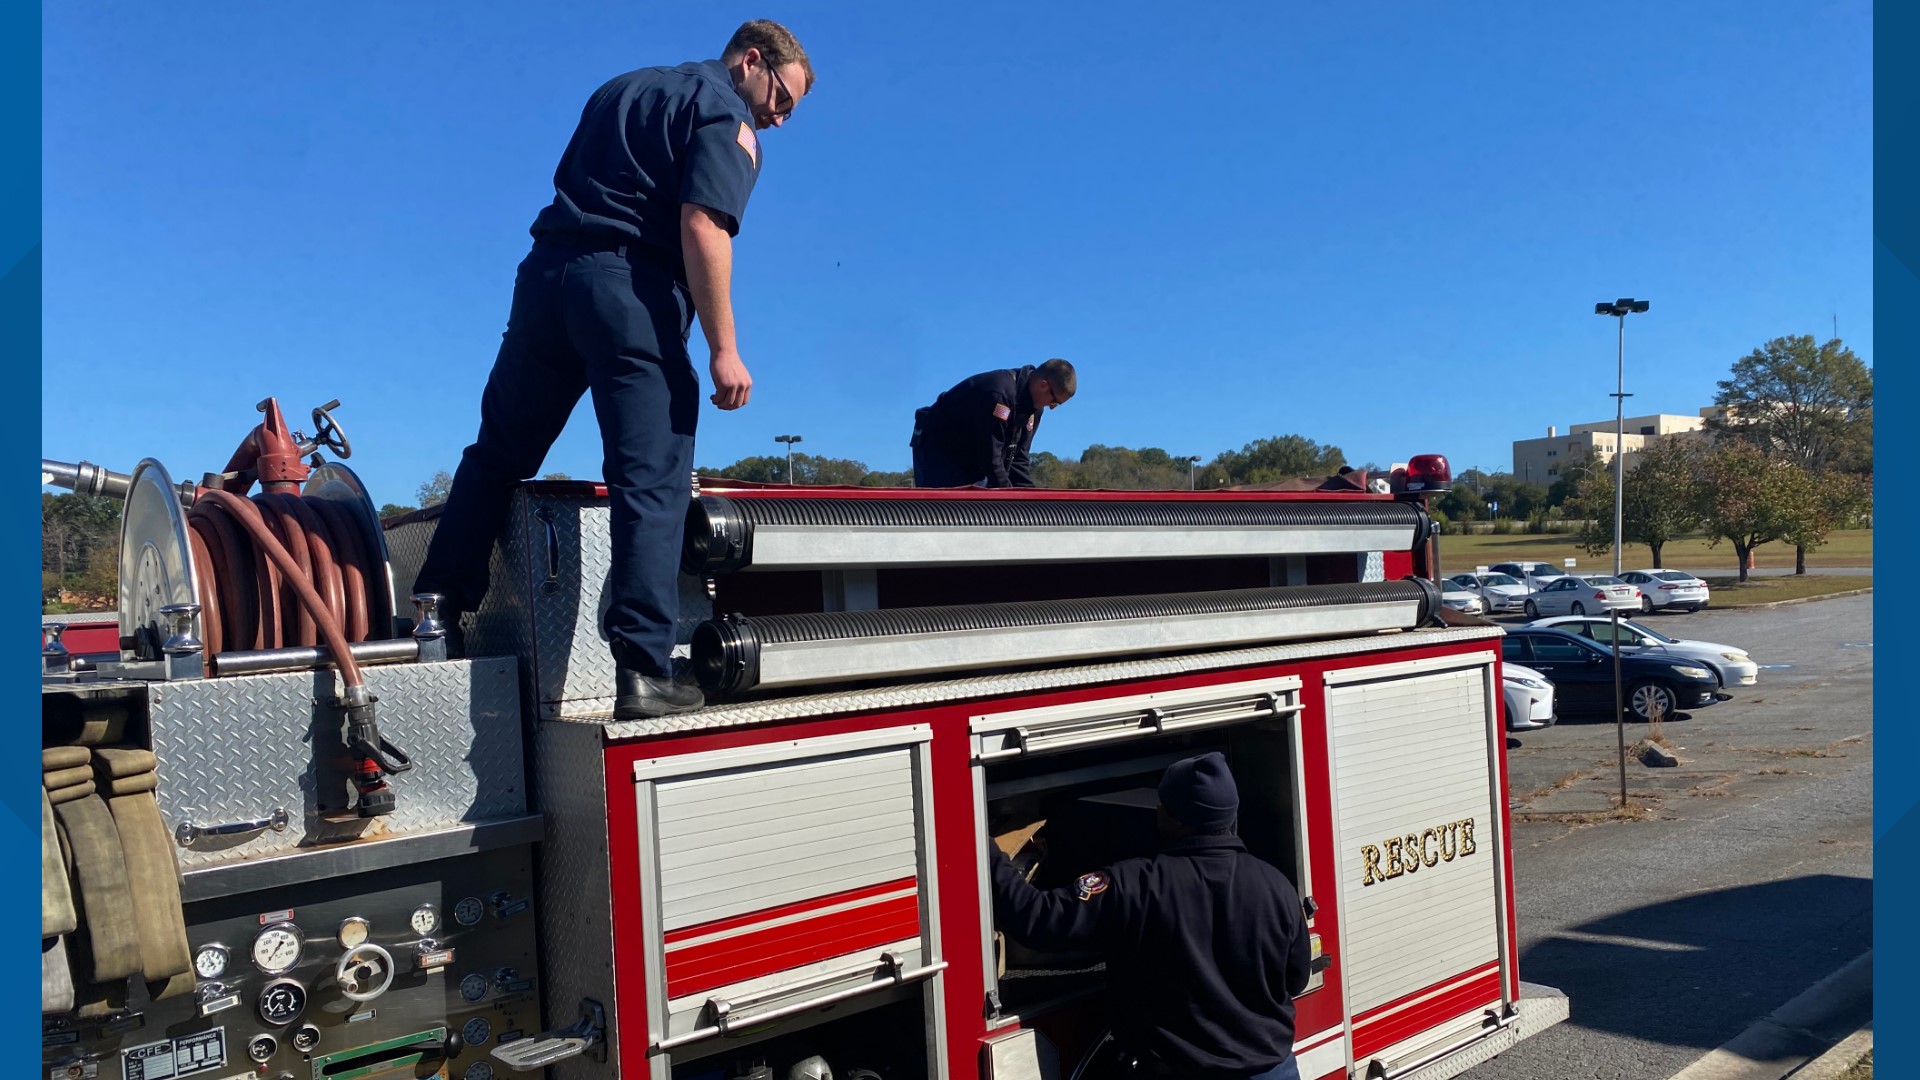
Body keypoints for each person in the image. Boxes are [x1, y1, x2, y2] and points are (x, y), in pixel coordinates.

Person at [413, 21, 813, 719]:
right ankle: (644, 668)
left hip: (545, 280)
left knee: (497, 453)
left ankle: (438, 611)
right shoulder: (724, 111)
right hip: (629, 287)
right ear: (751, 62)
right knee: (651, 476)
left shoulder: (623, 88)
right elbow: (703, 225)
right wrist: (724, 346)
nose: (777, 119)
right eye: (781, 99)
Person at [989, 753, 1312, 1080]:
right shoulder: (1278, 887)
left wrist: (989, 851)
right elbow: (1295, 978)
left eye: (1162, 806)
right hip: (1274, 1071)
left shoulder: (1134, 885)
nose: (1157, 812)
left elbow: (1037, 920)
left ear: (1177, 819)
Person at [910, 359, 1076, 488]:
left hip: (973, 457)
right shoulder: (999, 395)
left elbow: (1018, 459)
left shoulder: (1035, 409)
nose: (1051, 408)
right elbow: (991, 457)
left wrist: (1030, 501)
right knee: (948, 515)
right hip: (938, 447)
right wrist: (1011, 501)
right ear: (1043, 385)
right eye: (1054, 402)